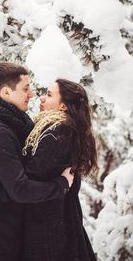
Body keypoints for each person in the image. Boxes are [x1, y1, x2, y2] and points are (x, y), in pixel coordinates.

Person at [0, 63, 74, 261]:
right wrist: (60, 185)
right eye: (25, 89)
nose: (31, 94)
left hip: (14, 236)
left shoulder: (19, 124)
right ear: (6, 92)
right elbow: (20, 188)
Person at [22, 79, 98, 261]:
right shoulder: (56, 129)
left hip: (49, 230)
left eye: (48, 95)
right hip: (55, 222)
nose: (41, 99)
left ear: (63, 106)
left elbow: (29, 176)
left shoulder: (60, 133)